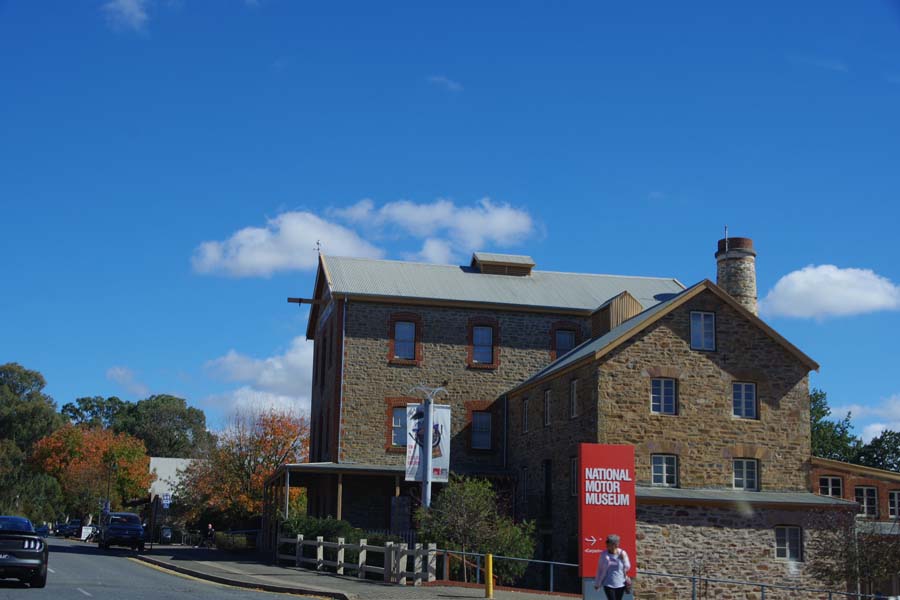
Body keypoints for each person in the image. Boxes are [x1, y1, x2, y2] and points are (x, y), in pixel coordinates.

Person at [593, 534, 631, 600]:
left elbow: (627, 567)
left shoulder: (622, 553)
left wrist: (623, 559)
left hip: (621, 583)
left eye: (609, 543)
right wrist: (597, 583)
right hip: (608, 583)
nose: (607, 545)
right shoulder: (604, 554)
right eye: (607, 542)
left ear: (615, 544)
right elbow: (600, 569)